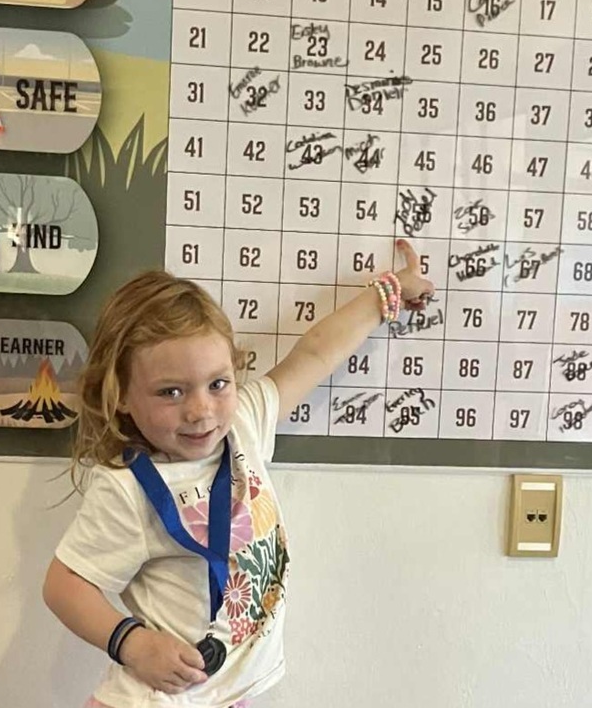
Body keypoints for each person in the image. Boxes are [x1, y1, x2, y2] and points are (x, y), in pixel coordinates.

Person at [43, 238, 435, 708]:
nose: (200, 410)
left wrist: (387, 293)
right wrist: (133, 643)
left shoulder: (243, 424)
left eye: (218, 384)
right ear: (121, 395)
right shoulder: (127, 489)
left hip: (226, 695)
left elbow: (314, 354)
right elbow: (63, 585)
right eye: (170, 392)